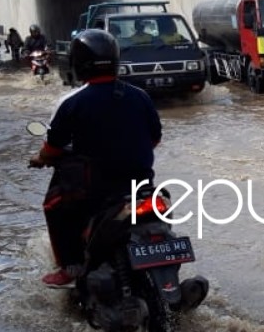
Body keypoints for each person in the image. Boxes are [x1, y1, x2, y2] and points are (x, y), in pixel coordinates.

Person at [28, 30, 163, 288]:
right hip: (140, 185)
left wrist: (40, 158)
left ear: (78, 64)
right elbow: (155, 139)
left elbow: (53, 148)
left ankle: (69, 268)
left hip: (94, 190)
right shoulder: (140, 96)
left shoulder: (71, 102)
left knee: (54, 205)